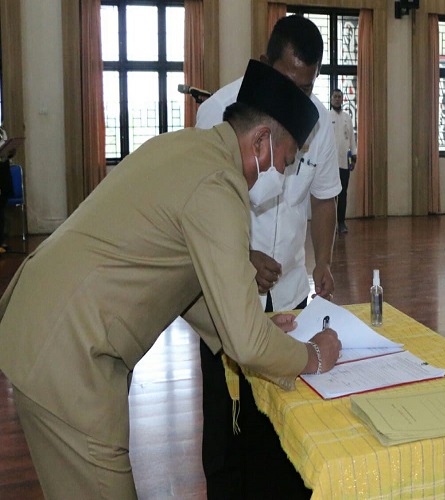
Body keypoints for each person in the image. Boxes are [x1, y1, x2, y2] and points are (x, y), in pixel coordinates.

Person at [0, 60, 342, 499]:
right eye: (286, 160)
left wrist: (242, 325)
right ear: (259, 141)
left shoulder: (184, 148)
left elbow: (184, 278)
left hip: (48, 328)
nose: (285, 173)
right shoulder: (219, 186)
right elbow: (247, 345)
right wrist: (313, 354)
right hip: (68, 354)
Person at [195, 15, 340, 499]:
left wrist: (323, 261)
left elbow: (324, 199)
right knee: (227, 424)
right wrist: (243, 256)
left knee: (285, 425)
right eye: (286, 81)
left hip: (292, 293)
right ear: (263, 63)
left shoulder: (317, 124)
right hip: (227, 290)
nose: (296, 96)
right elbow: (202, 213)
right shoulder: (218, 110)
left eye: (308, 84)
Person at [330, 88, 357, 234]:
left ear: (342, 99)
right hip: (331, 164)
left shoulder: (347, 117)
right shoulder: (327, 117)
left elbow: (352, 139)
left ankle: (341, 222)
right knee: (331, 195)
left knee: (343, 194)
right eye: (335, 96)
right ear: (331, 99)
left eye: (340, 96)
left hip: (344, 163)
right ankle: (331, 223)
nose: (337, 99)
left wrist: (354, 156)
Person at [0, 125, 16, 253]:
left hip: (4, 171)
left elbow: (7, 154)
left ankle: (1, 241)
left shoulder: (2, 131)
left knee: (2, 208)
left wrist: (10, 151)